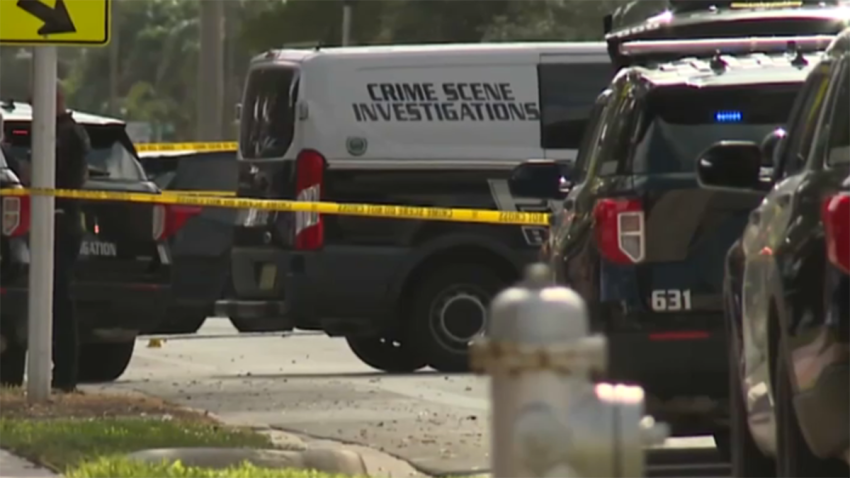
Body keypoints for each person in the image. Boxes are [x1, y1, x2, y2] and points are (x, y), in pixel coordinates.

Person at [51, 87, 90, 392]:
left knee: (61, 302)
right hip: (55, 223)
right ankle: (59, 373)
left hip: (62, 225)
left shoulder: (68, 136)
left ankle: (65, 376)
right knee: (52, 301)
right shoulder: (57, 133)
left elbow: (65, 178)